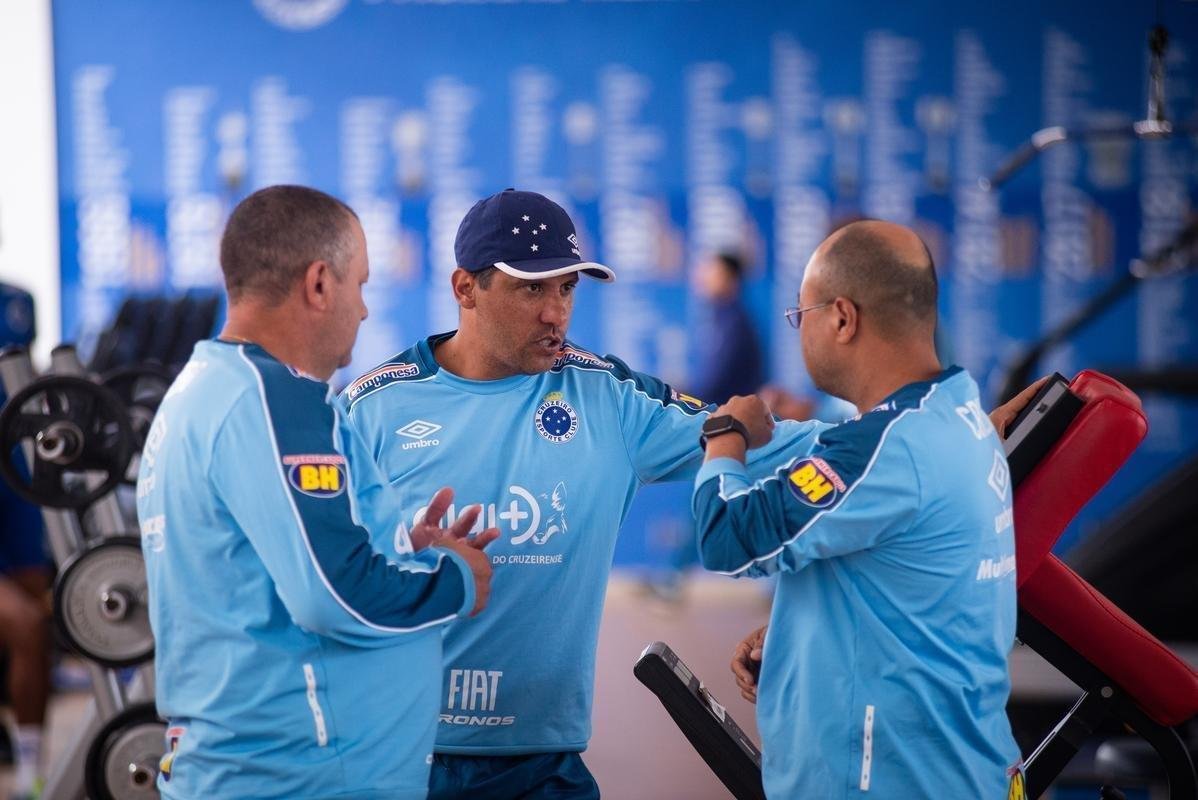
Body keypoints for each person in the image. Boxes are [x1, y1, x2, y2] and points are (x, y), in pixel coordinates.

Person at [342, 192, 1037, 799]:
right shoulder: (369, 409)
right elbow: (320, 576)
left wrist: (951, 429)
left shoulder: (609, 397)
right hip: (398, 752)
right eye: (532, 290)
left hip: (543, 768)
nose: (556, 312)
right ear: (466, 288)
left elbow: (765, 441)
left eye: (568, 288)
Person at [137, 185, 497, 800]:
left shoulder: (205, 390)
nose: (364, 310)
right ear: (320, 283)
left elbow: (266, 567)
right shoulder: (274, 399)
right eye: (360, 285)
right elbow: (332, 596)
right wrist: (457, 579)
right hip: (300, 779)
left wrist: (398, 549)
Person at [693, 220, 1033, 799]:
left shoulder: (883, 448)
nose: (799, 331)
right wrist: (800, 632)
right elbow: (912, 584)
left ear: (842, 319)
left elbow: (727, 535)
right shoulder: (961, 415)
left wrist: (725, 435)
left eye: (800, 315)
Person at [0, 283, 50, 800]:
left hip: (13, 475)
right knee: (25, 624)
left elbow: (26, 378)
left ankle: (31, 768)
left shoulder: (17, 301)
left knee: (41, 617)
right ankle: (28, 775)